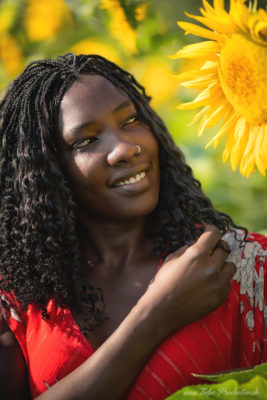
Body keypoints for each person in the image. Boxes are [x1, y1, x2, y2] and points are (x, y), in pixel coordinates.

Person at [0, 53, 266, 400]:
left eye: (130, 119)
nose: (126, 147)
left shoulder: (244, 268)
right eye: (85, 141)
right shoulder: (18, 296)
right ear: (43, 173)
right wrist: (155, 314)